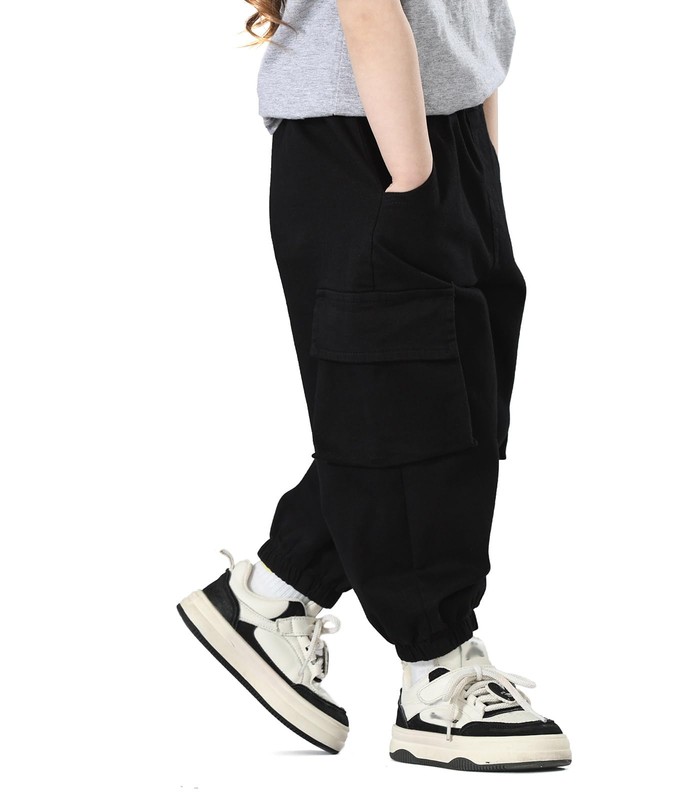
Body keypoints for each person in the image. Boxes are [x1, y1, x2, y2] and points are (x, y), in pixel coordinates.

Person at [177, 0, 571, 772]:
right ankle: (437, 669)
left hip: (438, 130)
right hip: (365, 136)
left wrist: (475, 149)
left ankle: (272, 593)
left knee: (457, 404)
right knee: (409, 407)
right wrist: (413, 174)